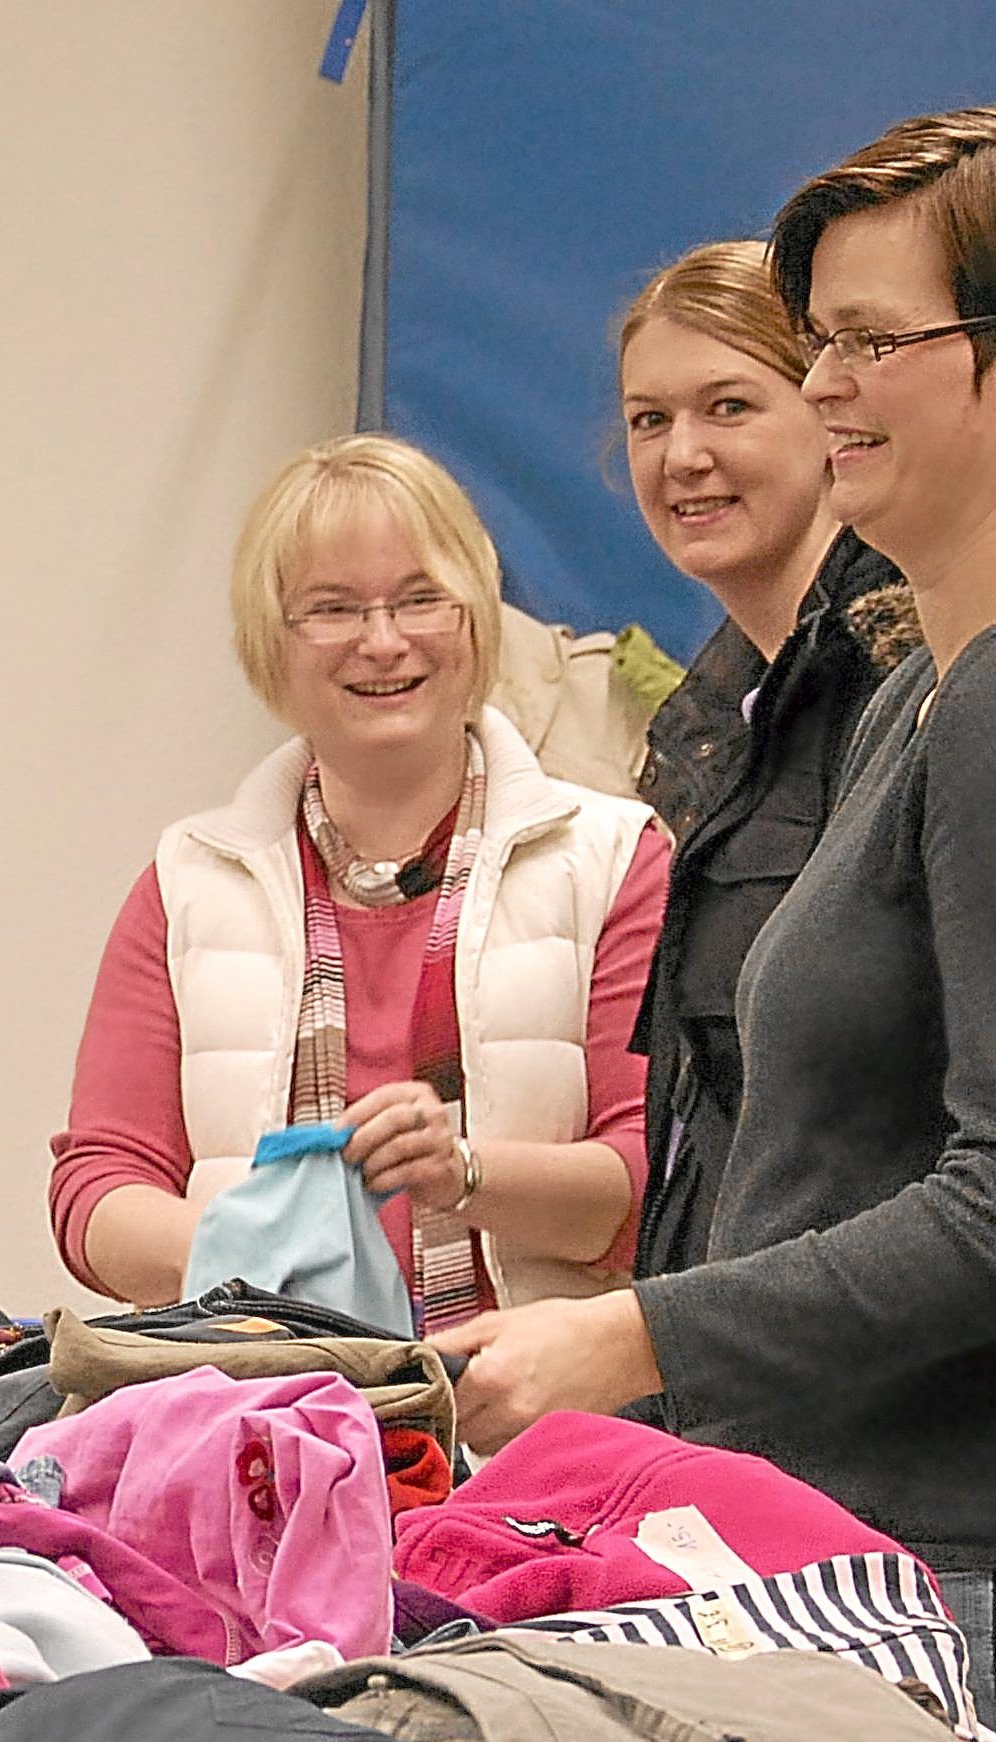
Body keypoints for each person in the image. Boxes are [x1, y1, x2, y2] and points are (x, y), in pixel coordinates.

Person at [451, 107, 996, 1742]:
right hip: (914, 1561)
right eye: (817, 339)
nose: (824, 384)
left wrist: (632, 1337)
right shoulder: (931, 685)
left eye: (872, 341)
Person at [51, 434, 671, 1328]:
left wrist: (464, 1173)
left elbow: (657, 1181)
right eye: (332, 609)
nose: (383, 642)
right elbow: (97, 1185)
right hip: (266, 1397)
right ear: (270, 643)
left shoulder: (615, 861)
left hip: (538, 1398)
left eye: (421, 600)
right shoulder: (187, 884)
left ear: (476, 619)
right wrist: (253, 1257)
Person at [613, 241, 915, 1279]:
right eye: (648, 419)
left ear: (832, 414)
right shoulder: (707, 732)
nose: (681, 456)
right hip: (733, 1324)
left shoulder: (910, 690)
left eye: (728, 407)